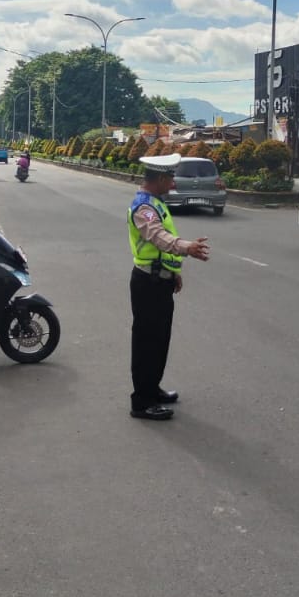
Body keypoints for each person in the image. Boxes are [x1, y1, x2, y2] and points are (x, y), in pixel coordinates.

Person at [126, 153, 211, 421]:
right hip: (147, 284)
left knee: (160, 340)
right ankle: (142, 402)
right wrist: (187, 248)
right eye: (170, 177)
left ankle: (152, 389)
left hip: (159, 280)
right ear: (160, 178)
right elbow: (158, 237)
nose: (173, 183)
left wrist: (173, 273)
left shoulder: (155, 202)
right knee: (146, 343)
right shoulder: (144, 208)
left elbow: (161, 245)